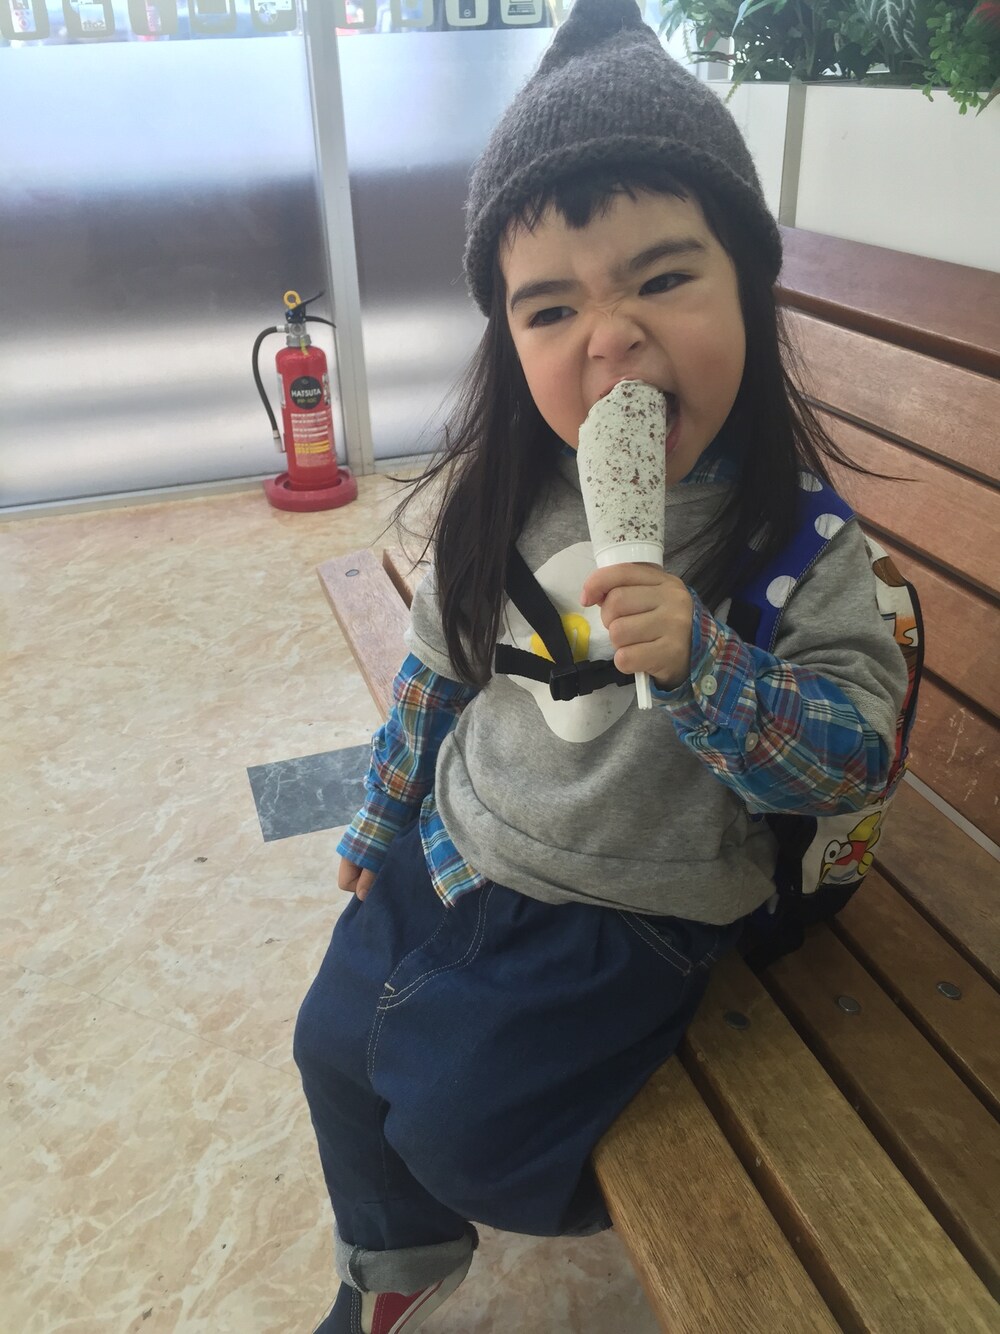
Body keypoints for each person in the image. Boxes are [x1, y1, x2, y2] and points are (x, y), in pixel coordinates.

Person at [293, 1, 910, 1329]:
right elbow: (436, 672)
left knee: (453, 1124)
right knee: (331, 1046)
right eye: (552, 306)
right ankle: (400, 1261)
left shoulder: (798, 543)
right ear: (508, 341)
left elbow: (857, 757)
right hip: (461, 839)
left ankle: (536, 1163)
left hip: (627, 912)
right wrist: (382, 811)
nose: (609, 335)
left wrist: (707, 665)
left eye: (663, 278)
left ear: (751, 290)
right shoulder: (502, 499)